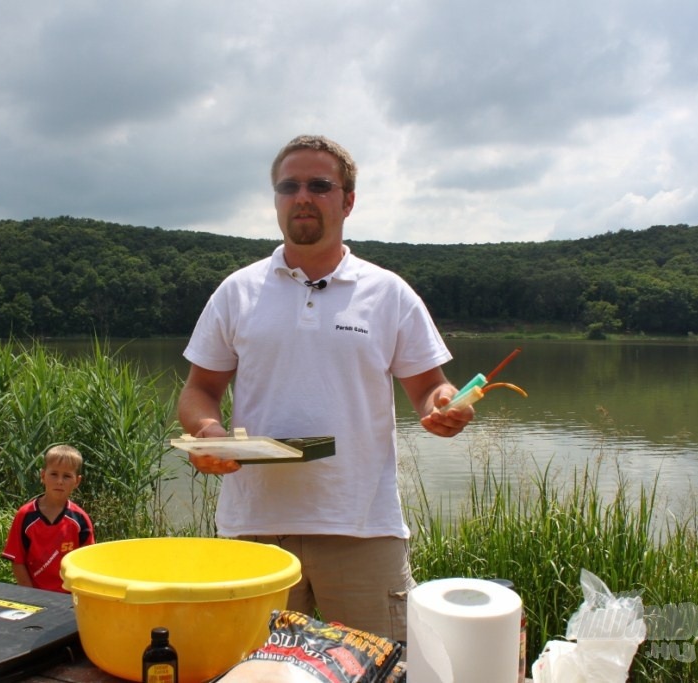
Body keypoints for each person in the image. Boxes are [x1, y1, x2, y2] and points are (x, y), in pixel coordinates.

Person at [177, 134, 475, 641]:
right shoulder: (238, 290)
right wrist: (208, 432)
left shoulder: (388, 293)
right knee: (255, 674)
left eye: (320, 185)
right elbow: (199, 390)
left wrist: (444, 406)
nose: (303, 197)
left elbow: (430, 388)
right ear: (276, 199)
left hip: (363, 529)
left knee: (377, 671)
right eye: (289, 186)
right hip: (255, 531)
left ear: (348, 200)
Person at [2, 444, 95, 592]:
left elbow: (87, 563)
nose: (59, 481)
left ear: (77, 481)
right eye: (54, 474)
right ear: (43, 476)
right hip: (34, 594)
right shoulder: (25, 515)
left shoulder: (80, 519)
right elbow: (17, 560)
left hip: (68, 597)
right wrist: (31, 595)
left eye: (66, 476)